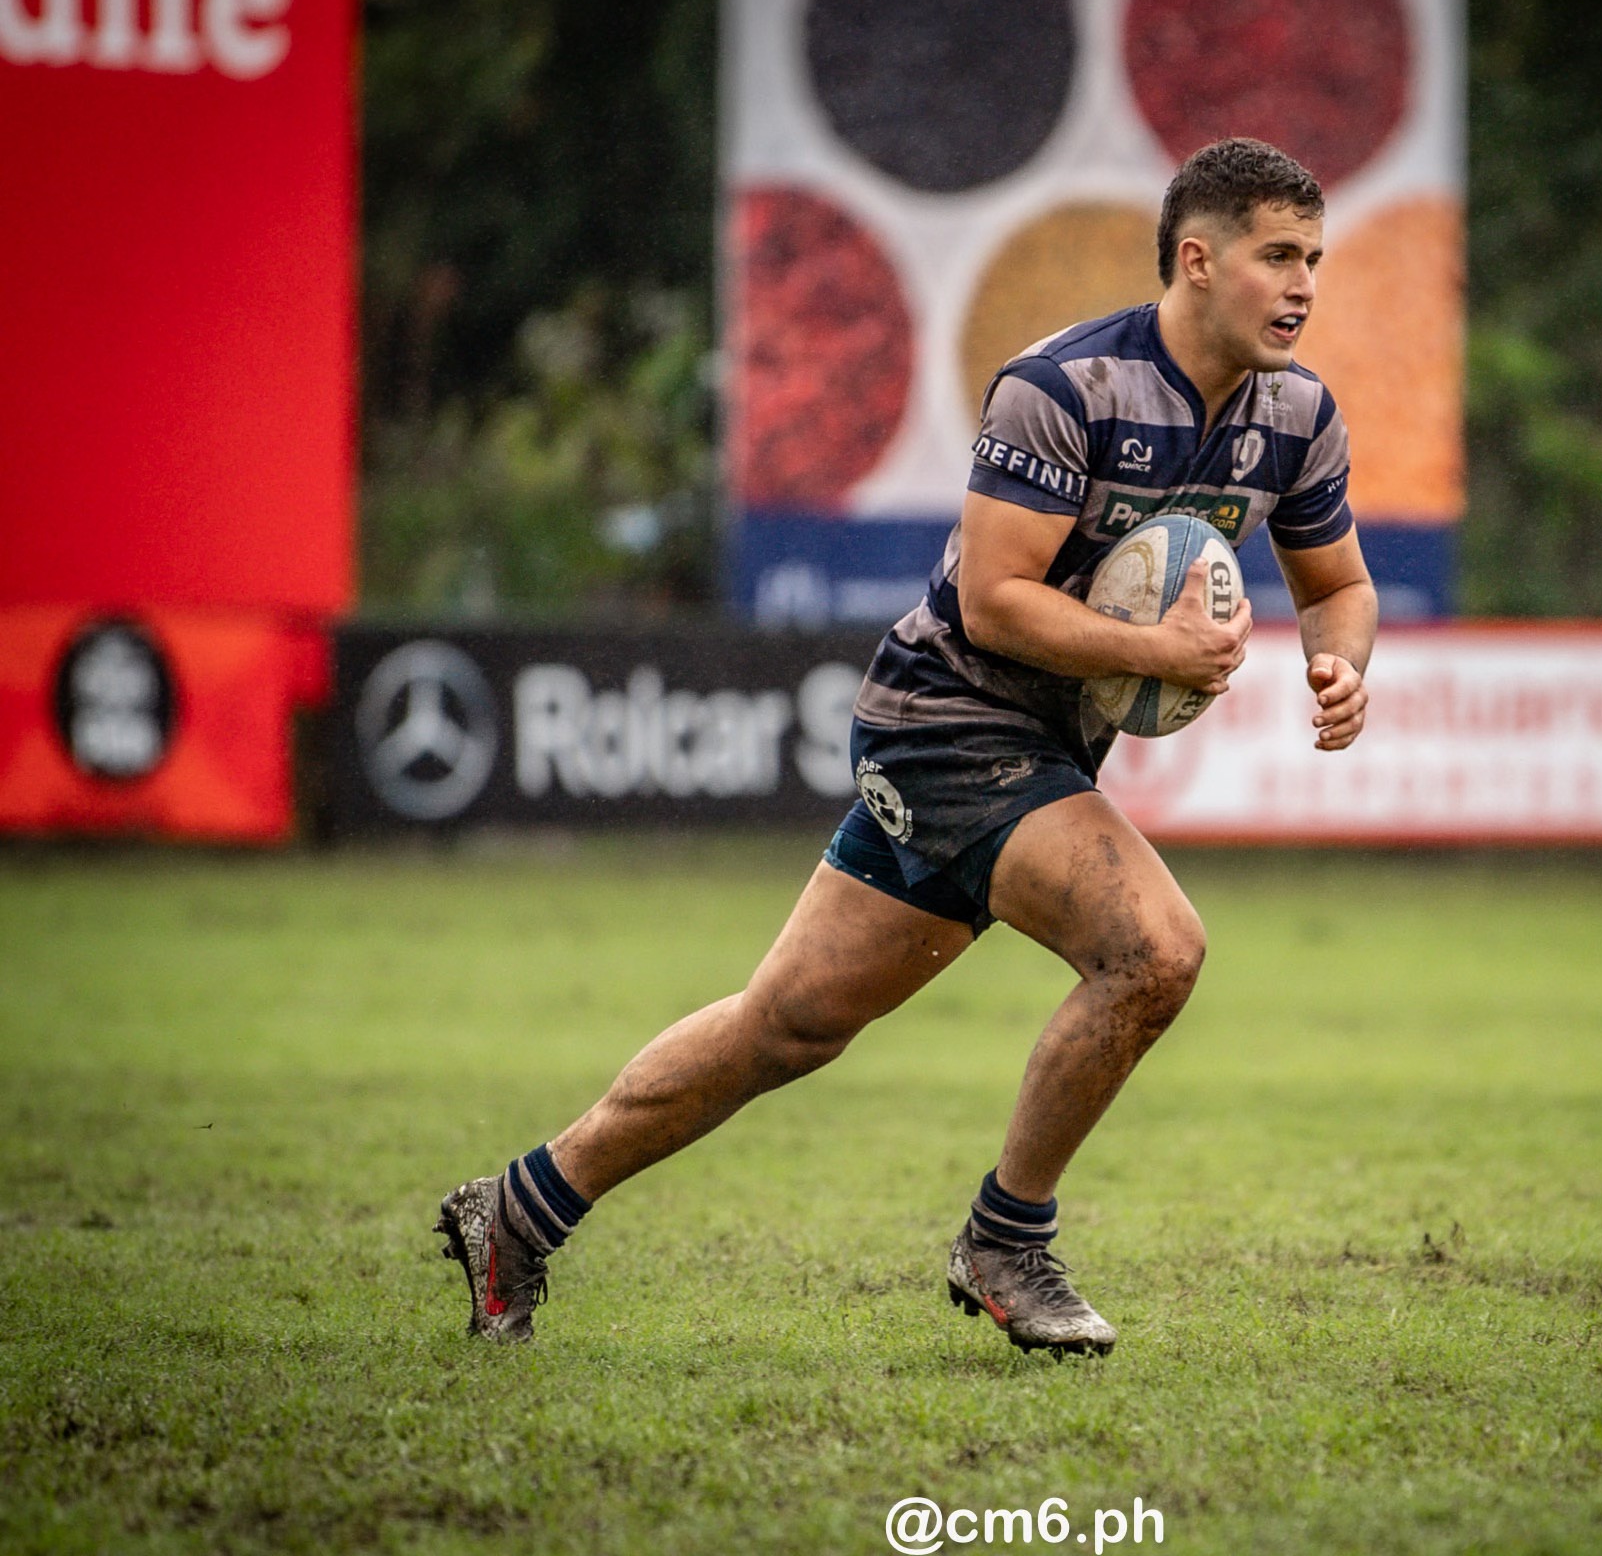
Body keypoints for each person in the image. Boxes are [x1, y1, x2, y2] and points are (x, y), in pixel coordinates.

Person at [436, 136, 1378, 1358]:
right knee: (1152, 950)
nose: (1303, 283)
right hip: (944, 721)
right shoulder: (1065, 387)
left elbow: (1338, 584)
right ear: (1196, 261)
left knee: (788, 1024)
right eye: (1276, 257)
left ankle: (516, 1209)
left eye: (1314, 258)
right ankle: (1006, 1241)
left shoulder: (1295, 416)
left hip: (1044, 750)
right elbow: (993, 601)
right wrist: (1157, 656)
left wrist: (1341, 659)